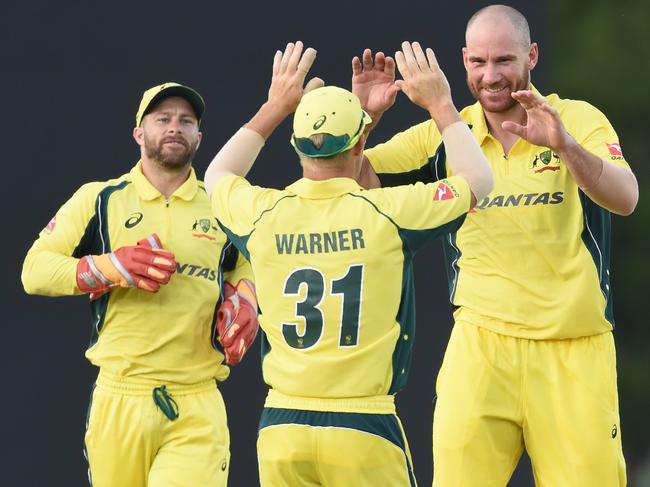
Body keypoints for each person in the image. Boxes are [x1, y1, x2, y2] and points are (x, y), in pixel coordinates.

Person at [353, 5, 638, 486]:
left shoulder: (575, 118)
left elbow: (626, 198)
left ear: (532, 55)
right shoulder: (444, 134)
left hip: (574, 350)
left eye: (504, 61)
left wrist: (564, 145)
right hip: (481, 348)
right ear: (463, 61)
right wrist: (365, 120)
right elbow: (356, 187)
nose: (491, 77)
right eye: (478, 63)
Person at [204, 40, 493, 486]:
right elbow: (478, 179)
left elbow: (218, 175)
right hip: (363, 425)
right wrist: (442, 105)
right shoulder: (388, 213)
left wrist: (275, 105)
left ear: (296, 145)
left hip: (283, 425)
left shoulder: (264, 213)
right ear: (361, 142)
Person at [21, 82, 259, 487]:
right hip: (120, 396)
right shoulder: (100, 199)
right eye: (162, 119)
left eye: (186, 121)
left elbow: (247, 264)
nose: (174, 127)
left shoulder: (222, 202)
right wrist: (111, 268)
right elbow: (34, 271)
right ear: (139, 133)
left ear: (199, 137)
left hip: (196, 398)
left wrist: (249, 300)